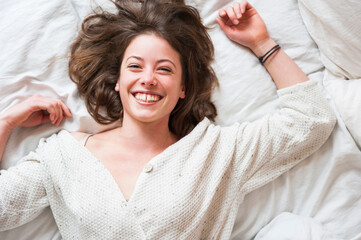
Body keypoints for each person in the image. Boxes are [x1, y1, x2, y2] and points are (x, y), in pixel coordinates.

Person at [0, 0, 335, 239]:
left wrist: (263, 44)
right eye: (135, 66)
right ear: (117, 81)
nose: (148, 78)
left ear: (182, 89)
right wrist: (5, 123)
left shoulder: (215, 153)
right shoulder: (64, 156)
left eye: (164, 69)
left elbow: (311, 120)